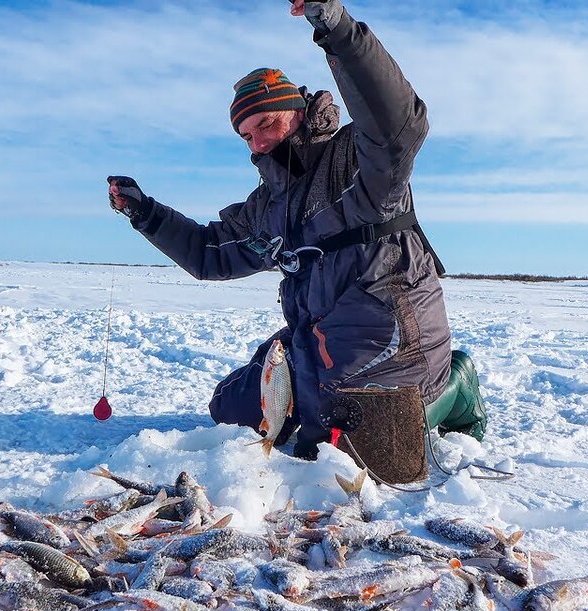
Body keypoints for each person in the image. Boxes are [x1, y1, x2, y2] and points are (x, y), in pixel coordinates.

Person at [108, 0, 485, 461]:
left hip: (393, 333)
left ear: (299, 111)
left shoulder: (361, 161)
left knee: (339, 441)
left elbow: (397, 121)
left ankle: (454, 385)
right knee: (232, 407)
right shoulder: (269, 206)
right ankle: (332, 398)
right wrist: (145, 212)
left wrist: (336, 29)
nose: (259, 141)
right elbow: (211, 253)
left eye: (266, 122)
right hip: (323, 339)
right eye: (247, 135)